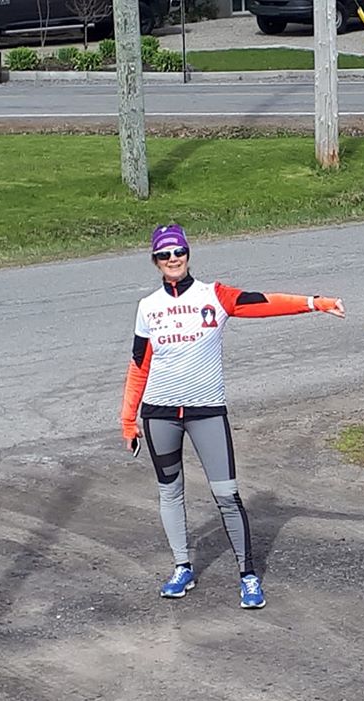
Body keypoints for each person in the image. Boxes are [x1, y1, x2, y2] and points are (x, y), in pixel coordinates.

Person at [121, 224, 345, 608]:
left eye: (179, 252)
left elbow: (264, 302)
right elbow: (139, 364)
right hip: (159, 413)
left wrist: (314, 302)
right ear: (154, 261)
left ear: (188, 254)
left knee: (226, 494)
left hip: (206, 410)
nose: (173, 259)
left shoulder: (215, 296)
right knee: (170, 492)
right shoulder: (147, 307)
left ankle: (248, 576)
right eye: (164, 254)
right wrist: (128, 419)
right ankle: (181, 567)